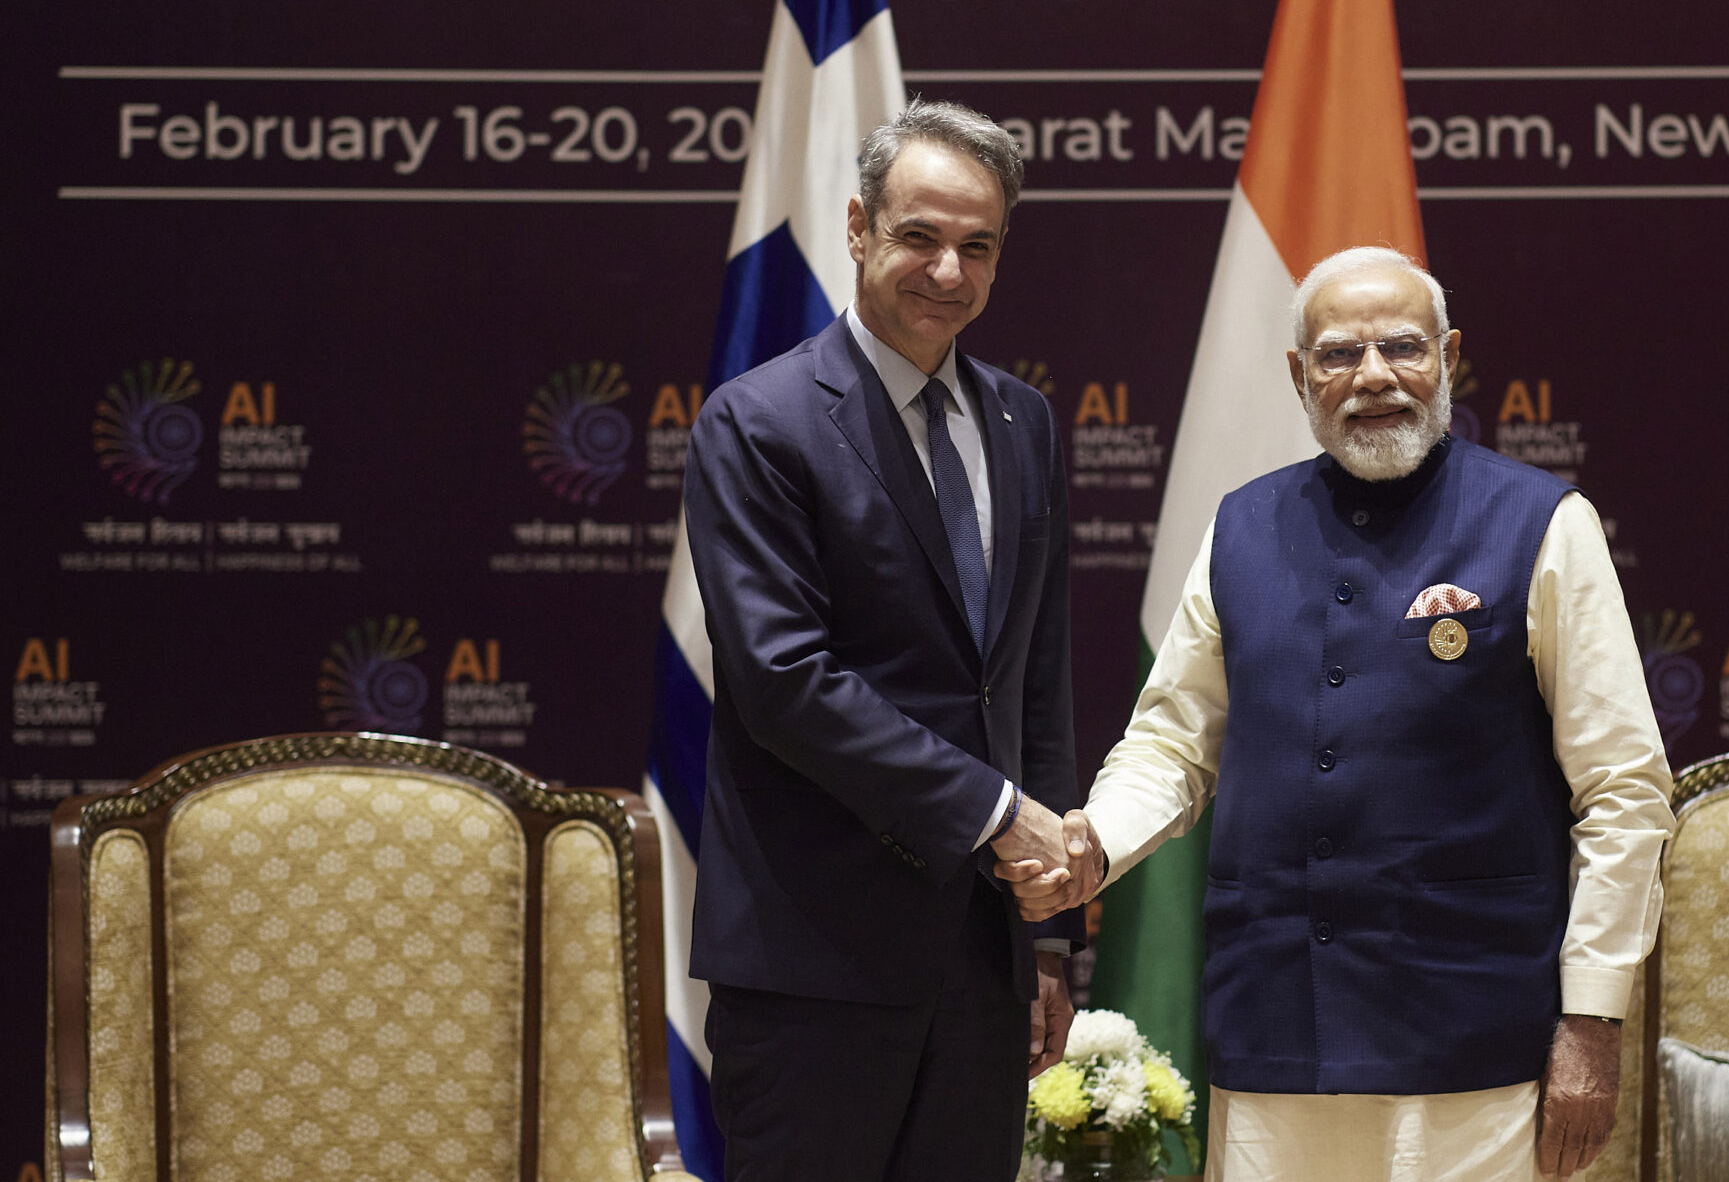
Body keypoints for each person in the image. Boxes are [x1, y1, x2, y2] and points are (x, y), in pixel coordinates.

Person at [1019, 246, 1675, 1181]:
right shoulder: (1241, 526)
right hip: (1274, 1031)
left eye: (1403, 347)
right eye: (1338, 354)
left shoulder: (1543, 522)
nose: (1373, 376)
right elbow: (1171, 744)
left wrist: (1593, 1017)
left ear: (1449, 356)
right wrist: (1096, 843)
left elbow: (1624, 790)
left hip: (1476, 1042)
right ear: (1299, 375)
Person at [684, 99, 1090, 1182]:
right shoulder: (759, 421)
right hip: (813, 961)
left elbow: (1032, 683)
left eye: (978, 246)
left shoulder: (1024, 422)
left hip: (984, 963)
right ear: (859, 227)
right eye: (919, 236)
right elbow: (783, 679)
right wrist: (995, 813)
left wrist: (1049, 937)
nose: (947, 272)